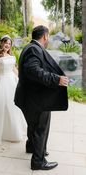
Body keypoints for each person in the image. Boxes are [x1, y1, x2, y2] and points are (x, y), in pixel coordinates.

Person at [14, 25, 69, 170]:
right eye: (48, 36)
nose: (48, 39)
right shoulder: (34, 49)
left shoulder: (29, 47)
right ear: (45, 36)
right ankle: (38, 161)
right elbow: (33, 70)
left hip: (29, 96)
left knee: (34, 125)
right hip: (35, 98)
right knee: (40, 127)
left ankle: (32, 147)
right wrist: (56, 79)